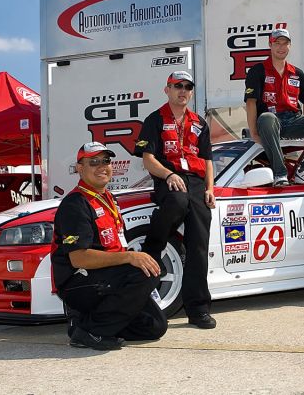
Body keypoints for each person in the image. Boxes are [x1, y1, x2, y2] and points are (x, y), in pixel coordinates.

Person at [52, 141, 167, 350]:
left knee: (154, 327)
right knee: (144, 273)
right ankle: (88, 331)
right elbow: (79, 258)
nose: (102, 166)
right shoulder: (75, 204)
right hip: (78, 282)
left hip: (107, 277)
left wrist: (131, 258)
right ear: (80, 168)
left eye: (105, 161)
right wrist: (129, 257)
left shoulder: (109, 198)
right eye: (93, 162)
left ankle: (89, 321)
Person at [134, 71, 217, 329]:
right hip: (167, 179)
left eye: (187, 87)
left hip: (196, 183)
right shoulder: (154, 119)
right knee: (177, 201)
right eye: (177, 86)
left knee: (199, 247)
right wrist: (169, 174)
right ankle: (154, 245)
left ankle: (198, 309)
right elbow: (148, 159)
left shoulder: (199, 122)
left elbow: (207, 160)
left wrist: (210, 189)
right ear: (167, 89)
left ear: (191, 91)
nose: (182, 90)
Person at [244, 28, 304, 187]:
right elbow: (250, 103)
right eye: (277, 43)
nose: (281, 47)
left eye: (285, 43)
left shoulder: (296, 73)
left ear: (290, 46)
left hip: (293, 120)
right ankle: (280, 174)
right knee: (267, 118)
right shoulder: (258, 70)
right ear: (270, 45)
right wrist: (253, 132)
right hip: (269, 122)